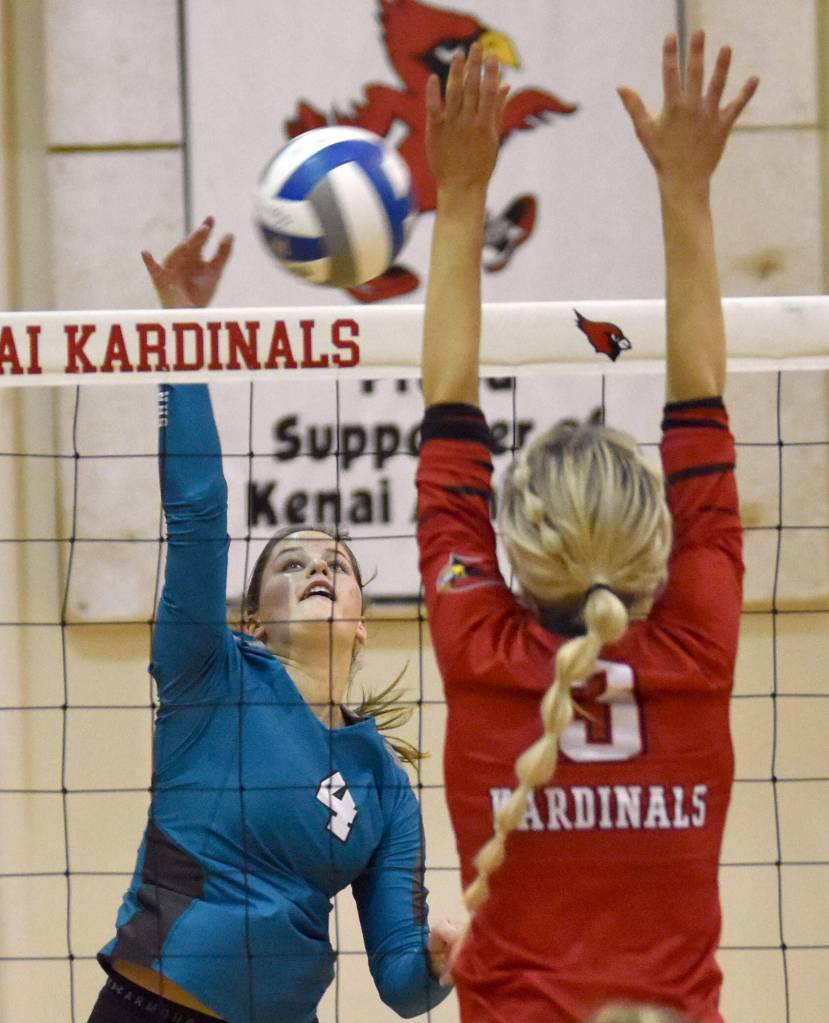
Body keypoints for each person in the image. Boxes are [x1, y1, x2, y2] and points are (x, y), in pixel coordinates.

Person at [416, 33, 757, 1023]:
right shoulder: (696, 643)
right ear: (656, 547)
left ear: (516, 556)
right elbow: (700, 395)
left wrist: (460, 193)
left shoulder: (480, 647)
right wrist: (688, 188)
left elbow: (445, 400)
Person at [86, 220, 456, 1023]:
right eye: (292, 563)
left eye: (338, 564)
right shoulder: (207, 673)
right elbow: (197, 512)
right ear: (253, 617)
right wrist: (181, 331)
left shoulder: (384, 784)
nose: (319, 568)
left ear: (362, 623)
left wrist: (442, 961)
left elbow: (401, 983)